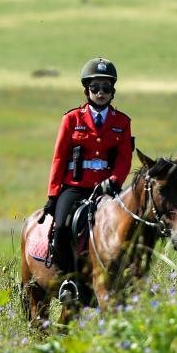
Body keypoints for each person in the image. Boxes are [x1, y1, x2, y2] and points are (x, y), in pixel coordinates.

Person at [44, 57, 134, 288]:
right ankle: (67, 280)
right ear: (86, 90)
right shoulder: (72, 119)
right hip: (74, 187)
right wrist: (53, 195)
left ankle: (122, 279)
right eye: (95, 87)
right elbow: (58, 158)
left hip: (106, 189)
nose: (100, 92)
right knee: (62, 227)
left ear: (113, 91)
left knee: (126, 228)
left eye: (106, 88)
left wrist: (114, 181)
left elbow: (124, 159)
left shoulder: (122, 122)